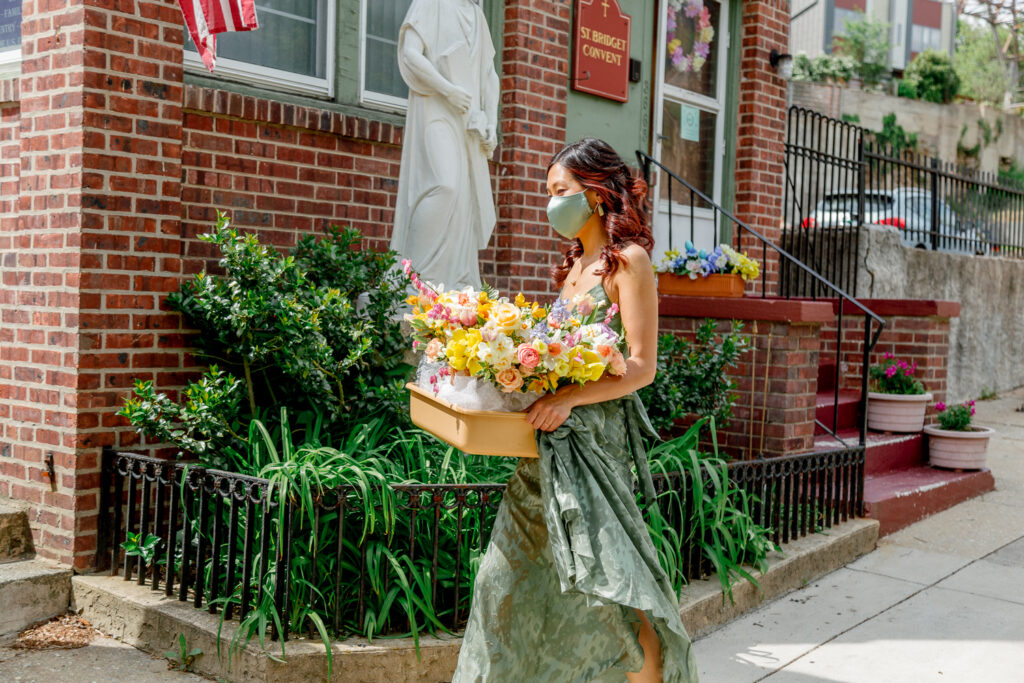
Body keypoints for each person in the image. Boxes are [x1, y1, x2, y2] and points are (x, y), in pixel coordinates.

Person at [451, 138, 700, 682]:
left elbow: (641, 365)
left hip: (592, 451)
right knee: (501, 583)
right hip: (544, 449)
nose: (551, 204)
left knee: (614, 593)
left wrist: (568, 398)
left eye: (560, 191)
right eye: (549, 193)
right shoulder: (572, 268)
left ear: (596, 193)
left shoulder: (628, 263)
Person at [391, 0, 499, 291]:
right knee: (445, 185)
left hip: (469, 123)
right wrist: (447, 89)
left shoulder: (477, 15)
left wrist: (491, 120)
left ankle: (453, 281)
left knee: (465, 199)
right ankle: (414, 278)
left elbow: (489, 74)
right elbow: (411, 54)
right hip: (436, 112)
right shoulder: (431, 3)